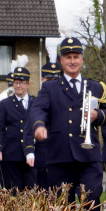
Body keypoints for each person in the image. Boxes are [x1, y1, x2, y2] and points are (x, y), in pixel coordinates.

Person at [24, 37, 106, 211]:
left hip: (88, 156)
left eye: (76, 56)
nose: (72, 61)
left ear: (82, 60)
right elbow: (38, 108)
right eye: (67, 57)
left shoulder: (95, 86)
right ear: (61, 61)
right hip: (60, 157)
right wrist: (38, 126)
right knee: (62, 209)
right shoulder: (50, 88)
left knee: (92, 200)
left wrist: (98, 115)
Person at [0, 66, 36, 191]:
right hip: (12, 152)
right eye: (15, 83)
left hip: (32, 152)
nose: (18, 86)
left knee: (33, 188)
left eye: (22, 83)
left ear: (28, 84)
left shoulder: (35, 102)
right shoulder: (5, 103)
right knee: (15, 190)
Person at [36, 61, 61, 190]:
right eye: (48, 79)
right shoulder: (36, 101)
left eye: (55, 79)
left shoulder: (63, 101)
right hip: (41, 151)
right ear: (42, 80)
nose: (51, 82)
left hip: (59, 151)